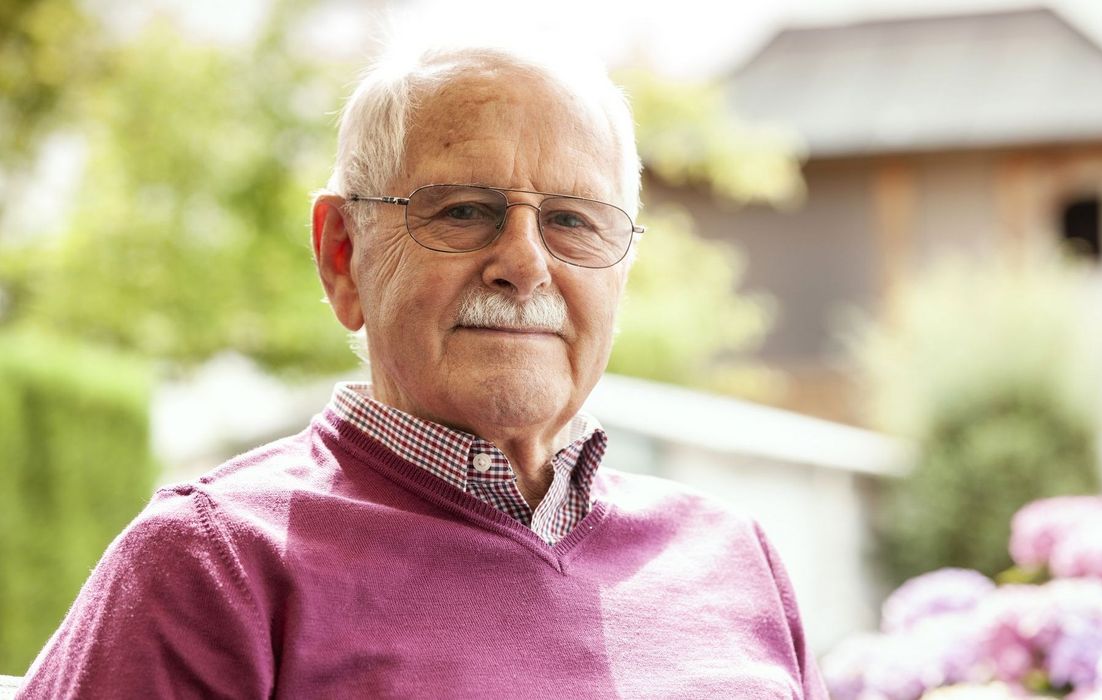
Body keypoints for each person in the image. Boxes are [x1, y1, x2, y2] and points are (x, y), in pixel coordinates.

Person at [18, 41, 825, 699]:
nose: (525, 263)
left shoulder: (732, 556)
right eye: (464, 211)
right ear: (343, 256)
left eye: (573, 221)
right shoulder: (214, 565)